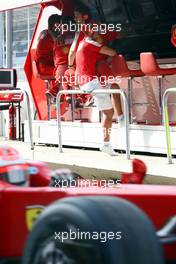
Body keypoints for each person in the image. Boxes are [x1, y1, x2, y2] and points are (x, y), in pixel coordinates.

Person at [68, 4, 124, 124]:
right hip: (97, 71)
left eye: (76, 16)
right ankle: (120, 119)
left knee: (113, 90)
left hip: (95, 71)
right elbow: (117, 35)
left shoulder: (83, 32)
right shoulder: (95, 28)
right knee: (113, 90)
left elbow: (72, 52)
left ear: (85, 16)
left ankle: (90, 98)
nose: (74, 19)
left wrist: (71, 67)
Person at [76, 31, 121, 155]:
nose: (99, 34)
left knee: (114, 86)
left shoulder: (81, 43)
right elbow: (112, 52)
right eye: (97, 32)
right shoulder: (90, 43)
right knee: (109, 113)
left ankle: (121, 116)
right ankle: (106, 144)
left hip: (88, 81)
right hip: (91, 82)